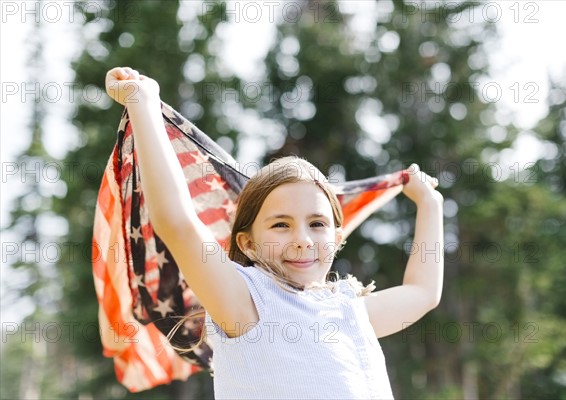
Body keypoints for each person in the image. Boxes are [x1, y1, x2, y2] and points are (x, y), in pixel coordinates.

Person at [105, 66, 444, 399]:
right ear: (248, 244)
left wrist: (429, 203)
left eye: (317, 224)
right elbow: (176, 223)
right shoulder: (247, 303)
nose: (302, 239)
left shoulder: (350, 310)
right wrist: (143, 103)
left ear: (338, 239)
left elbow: (423, 292)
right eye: (281, 224)